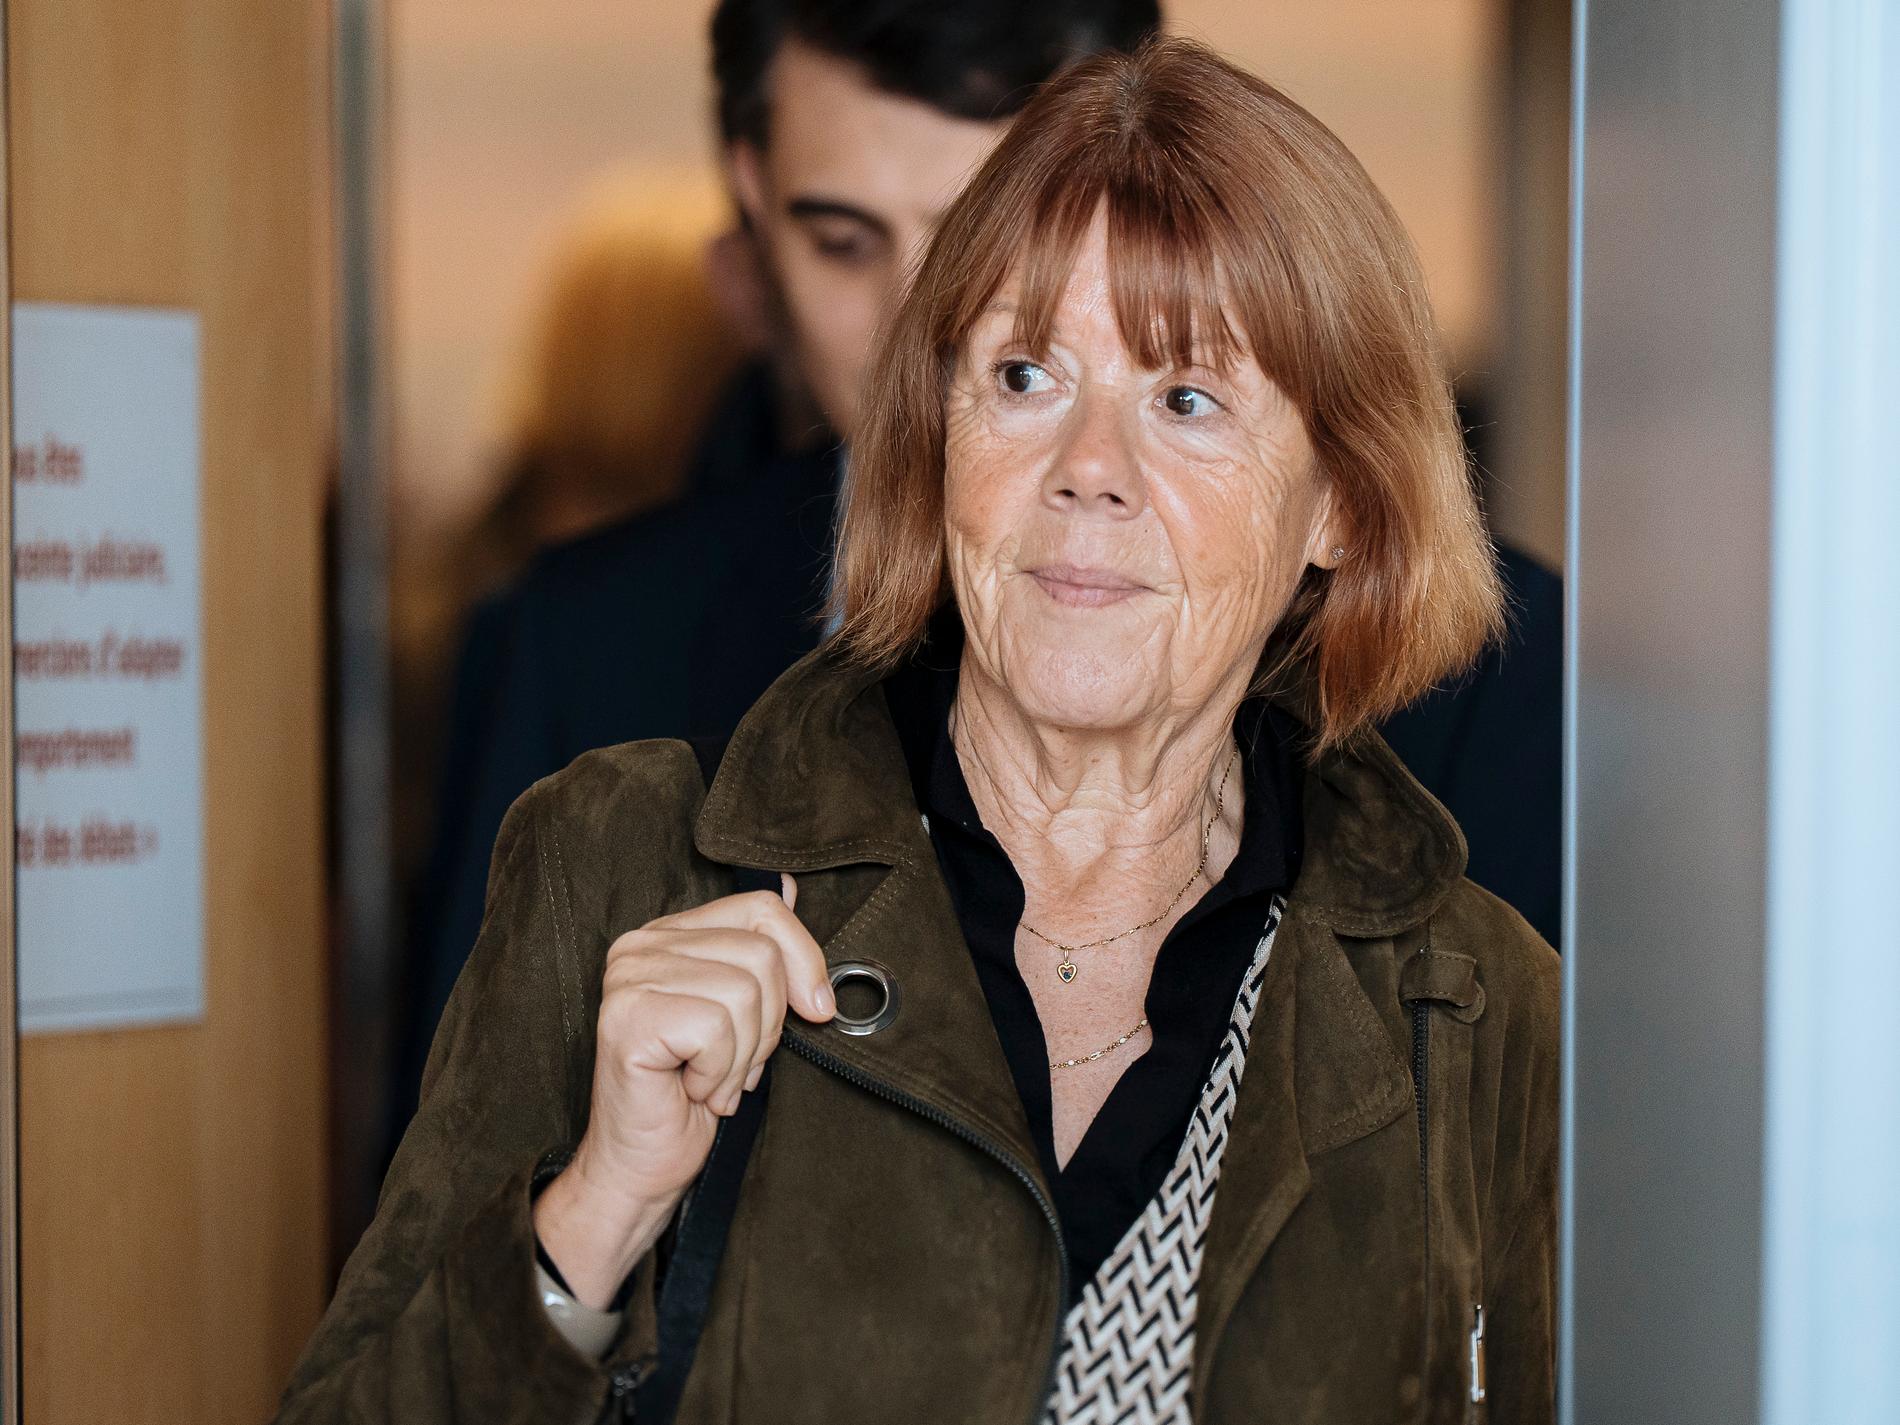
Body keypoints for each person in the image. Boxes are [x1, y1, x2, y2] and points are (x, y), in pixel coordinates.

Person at [283, 38, 1557, 1424]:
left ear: (1342, 507)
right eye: (1023, 376)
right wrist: (596, 1212)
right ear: (936, 433)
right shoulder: (626, 865)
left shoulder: (1471, 1007)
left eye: (1186, 399)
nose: (1087, 470)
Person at [393, 0, 1166, 1139]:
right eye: (842, 241)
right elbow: (450, 1207)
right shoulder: (583, 648)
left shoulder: (1413, 683)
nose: (920, 323)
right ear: (751, 203)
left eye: (989, 241)